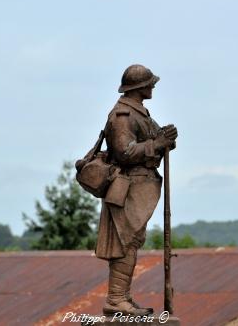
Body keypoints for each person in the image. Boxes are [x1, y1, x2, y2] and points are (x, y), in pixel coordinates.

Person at [95, 64, 178, 316]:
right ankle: (116, 298)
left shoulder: (139, 113)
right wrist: (157, 143)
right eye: (149, 83)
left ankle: (123, 296)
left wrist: (164, 140)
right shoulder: (122, 115)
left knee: (132, 241)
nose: (153, 86)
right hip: (129, 186)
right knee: (125, 242)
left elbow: (147, 144)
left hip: (141, 184)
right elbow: (125, 152)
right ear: (139, 87)